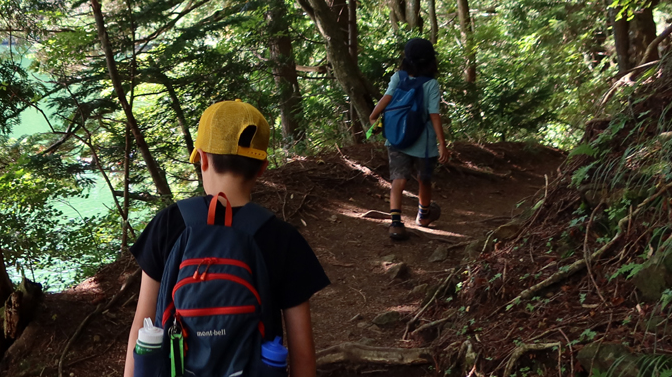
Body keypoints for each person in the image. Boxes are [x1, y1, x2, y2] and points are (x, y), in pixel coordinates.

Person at [124, 100, 329, 377]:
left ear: (203, 158)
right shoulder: (283, 238)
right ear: (262, 168)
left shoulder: (169, 224)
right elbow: (303, 356)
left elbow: (142, 326)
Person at [366, 37, 450, 241]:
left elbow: (387, 97)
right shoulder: (431, 84)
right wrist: (442, 144)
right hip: (424, 143)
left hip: (396, 138)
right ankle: (423, 215)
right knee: (424, 179)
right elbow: (434, 115)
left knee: (398, 178)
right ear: (431, 61)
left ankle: (395, 224)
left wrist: (373, 116)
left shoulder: (398, 77)